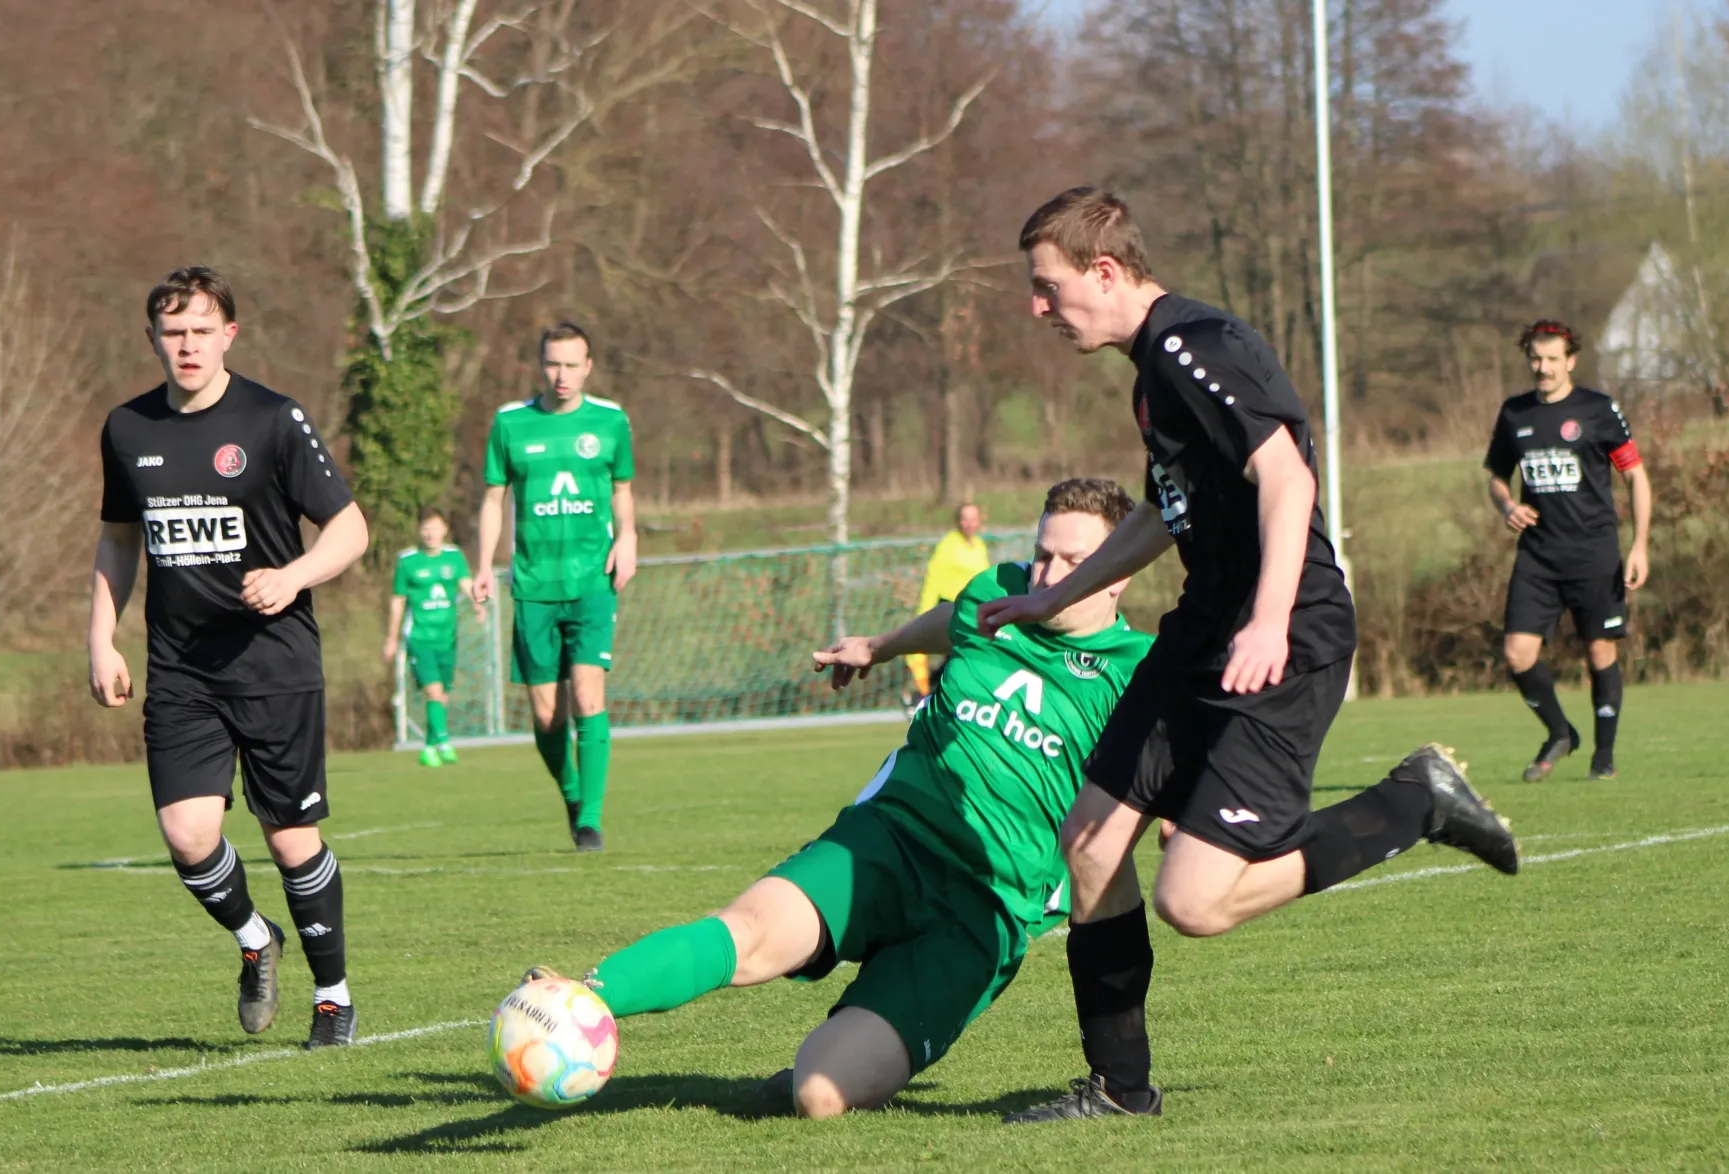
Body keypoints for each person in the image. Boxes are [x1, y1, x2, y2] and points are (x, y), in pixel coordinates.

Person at [981, 188, 1520, 1122]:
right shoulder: (1153, 372)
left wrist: (1268, 621)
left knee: (1194, 902)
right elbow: (1162, 515)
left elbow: (1287, 478)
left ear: (1103, 273)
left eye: (1047, 286)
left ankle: (1416, 802)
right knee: (1090, 843)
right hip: (1204, 630)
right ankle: (1120, 1089)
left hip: (1286, 635)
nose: (1038, 307)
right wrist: (1051, 597)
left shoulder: (1197, 346)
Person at [528, 479, 1154, 1119]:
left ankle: (832, 1053)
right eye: (1042, 553)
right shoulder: (996, 590)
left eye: (1073, 562)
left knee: (819, 1094)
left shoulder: (1137, 673)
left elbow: (1163, 781)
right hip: (888, 841)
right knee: (750, 935)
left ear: (1119, 573)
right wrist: (879, 647)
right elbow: (952, 619)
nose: (1047, 574)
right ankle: (578, 997)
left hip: (985, 909)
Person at [89, 266, 369, 1048]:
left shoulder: (273, 419)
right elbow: (118, 541)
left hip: (275, 665)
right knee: (188, 835)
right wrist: (101, 638)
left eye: (202, 331)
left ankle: (334, 999)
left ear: (229, 336)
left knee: (290, 841)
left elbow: (350, 529)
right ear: (152, 338)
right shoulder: (127, 428)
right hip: (182, 668)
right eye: (174, 332)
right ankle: (255, 939)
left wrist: (294, 575)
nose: (188, 346)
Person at [473, 322, 637, 852]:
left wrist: (628, 537)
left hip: (592, 581)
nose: (561, 375)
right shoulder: (510, 423)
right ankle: (571, 794)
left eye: (571, 364)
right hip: (533, 586)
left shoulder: (610, 421)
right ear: (540, 365)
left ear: (588, 366)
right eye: (552, 364)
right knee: (547, 715)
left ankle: (590, 821)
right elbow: (493, 499)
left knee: (588, 695)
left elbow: (622, 488)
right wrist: (483, 565)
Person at [1485, 320, 1651, 782]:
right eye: (1536, 359)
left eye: (1553, 359)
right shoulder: (1515, 413)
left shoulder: (1597, 410)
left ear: (1571, 361)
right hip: (1538, 556)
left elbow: (1635, 476)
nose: (1543, 368)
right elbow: (1497, 477)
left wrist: (1639, 545)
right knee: (1517, 653)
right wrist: (1507, 506)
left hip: (1594, 553)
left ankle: (1604, 758)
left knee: (1600, 652)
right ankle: (1560, 732)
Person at [383, 508, 484, 766]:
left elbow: (465, 583)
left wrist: (477, 603)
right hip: (419, 638)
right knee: (434, 691)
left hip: (447, 638)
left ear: (444, 530)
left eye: (435, 528)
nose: (430, 534)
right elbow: (398, 601)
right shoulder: (407, 561)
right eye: (426, 529)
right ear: (419, 531)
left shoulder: (454, 557)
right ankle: (444, 742)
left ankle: (428, 748)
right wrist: (392, 638)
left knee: (442, 696)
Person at [904, 502, 990, 704]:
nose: (969, 523)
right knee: (962, 652)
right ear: (958, 521)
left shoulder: (979, 545)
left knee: (963, 656)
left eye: (973, 518)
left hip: (971, 611)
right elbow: (933, 579)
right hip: (949, 608)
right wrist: (925, 610)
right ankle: (924, 694)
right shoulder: (948, 545)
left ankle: (926, 695)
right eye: (965, 519)